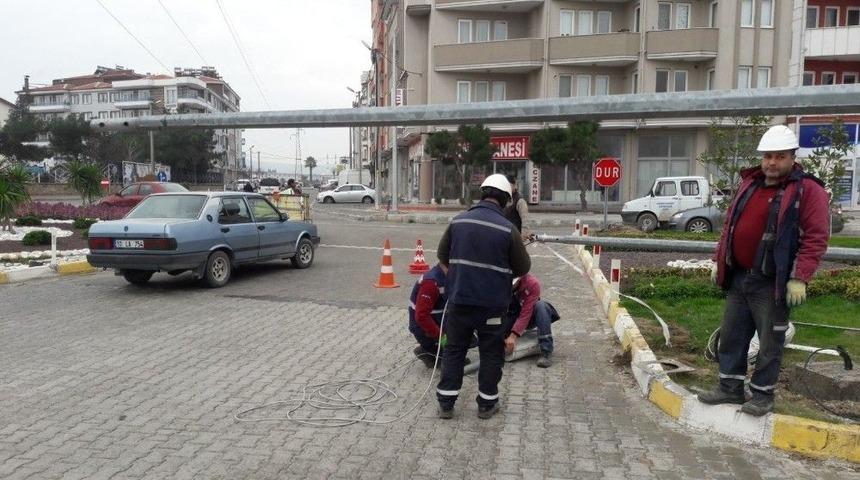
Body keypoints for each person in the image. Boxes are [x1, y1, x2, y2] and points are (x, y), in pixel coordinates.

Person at [697, 125, 830, 416]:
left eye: (779, 157)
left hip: (773, 282)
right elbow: (731, 225)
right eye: (767, 156)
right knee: (732, 335)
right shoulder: (751, 183)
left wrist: (799, 277)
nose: (771, 162)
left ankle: (762, 395)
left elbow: (816, 237)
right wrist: (718, 259)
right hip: (740, 276)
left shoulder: (808, 190)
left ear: (792, 157)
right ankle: (730, 388)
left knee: (770, 341)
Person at [435, 173, 531, 420]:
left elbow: (442, 256)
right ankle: (487, 405)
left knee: (454, 350)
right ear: (506, 200)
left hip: (459, 302)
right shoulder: (508, 229)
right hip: (492, 306)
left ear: (483, 194)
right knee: (490, 352)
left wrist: (456, 279)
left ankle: (446, 404)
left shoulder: (457, 222)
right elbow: (522, 269)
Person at [504, 273, 560, 368]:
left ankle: (546, 351)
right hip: (510, 315)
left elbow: (525, 314)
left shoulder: (532, 284)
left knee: (542, 306)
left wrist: (513, 337)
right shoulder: (500, 281)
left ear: (519, 279)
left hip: (528, 315)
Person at [408, 263, 449, 369]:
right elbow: (422, 316)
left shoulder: (449, 276)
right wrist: (443, 338)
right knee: (454, 349)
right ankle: (430, 352)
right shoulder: (432, 282)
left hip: (440, 320)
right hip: (425, 329)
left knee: (469, 339)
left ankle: (439, 350)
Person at [504, 175, 531, 240]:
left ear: (514, 185)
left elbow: (525, 220)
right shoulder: (503, 198)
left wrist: (523, 236)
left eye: (509, 185)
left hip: (515, 236)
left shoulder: (520, 201)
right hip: (504, 235)